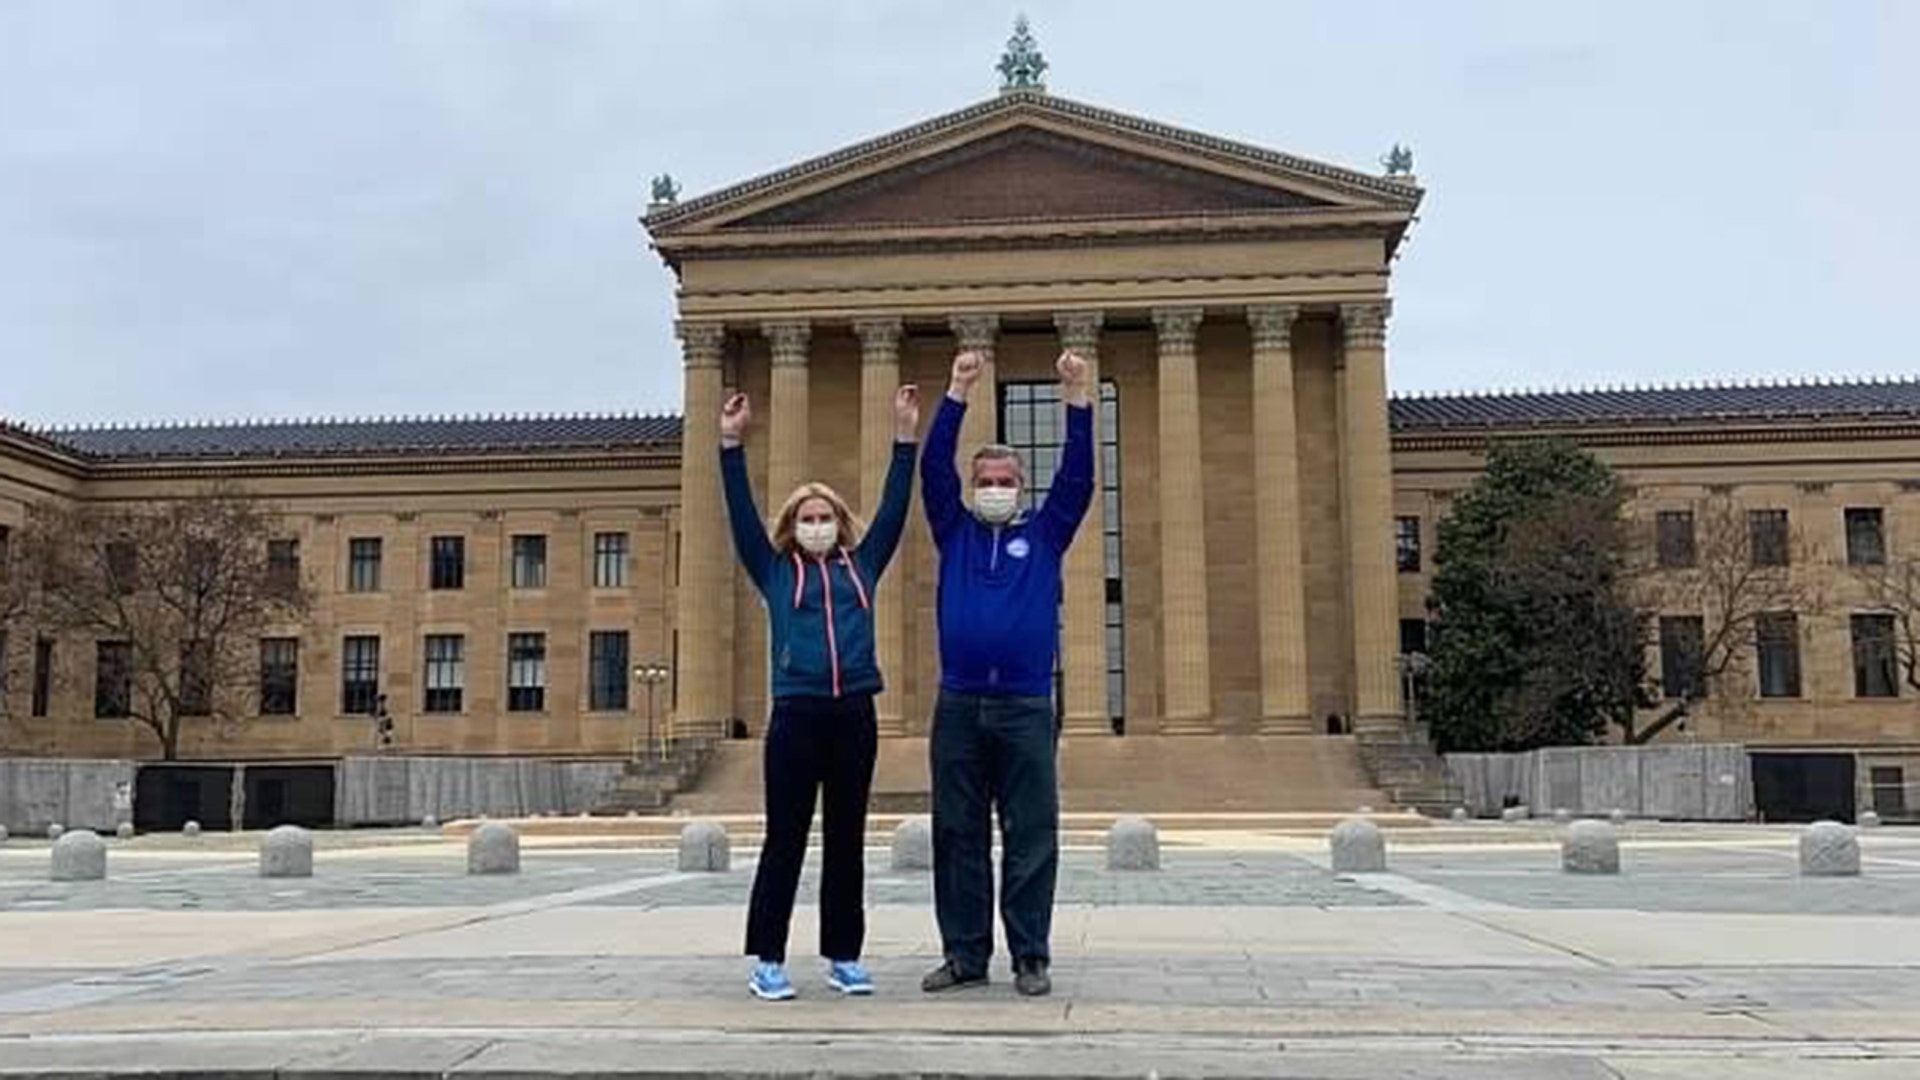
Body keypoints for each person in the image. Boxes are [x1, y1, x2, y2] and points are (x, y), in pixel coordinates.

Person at [720, 382, 920, 1001]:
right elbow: (741, 517)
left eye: (824, 517)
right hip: (796, 715)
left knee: (846, 839)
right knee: (785, 838)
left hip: (855, 712)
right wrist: (730, 444)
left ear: (839, 524)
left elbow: (893, 508)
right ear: (792, 527)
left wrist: (904, 437)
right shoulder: (775, 570)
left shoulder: (863, 565)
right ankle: (769, 960)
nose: (816, 526)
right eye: (806, 519)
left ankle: (844, 956)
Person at [919, 347, 1094, 998]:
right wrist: (957, 390)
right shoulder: (955, 532)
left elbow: (1078, 480)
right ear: (973, 489)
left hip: (1024, 706)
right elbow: (933, 469)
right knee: (957, 834)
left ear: (1021, 488)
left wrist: (1077, 401)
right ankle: (965, 955)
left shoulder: (1045, 535)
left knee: (1031, 833)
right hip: (960, 704)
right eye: (985, 479)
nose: (995, 487)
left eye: (1005, 479)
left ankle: (1030, 956)